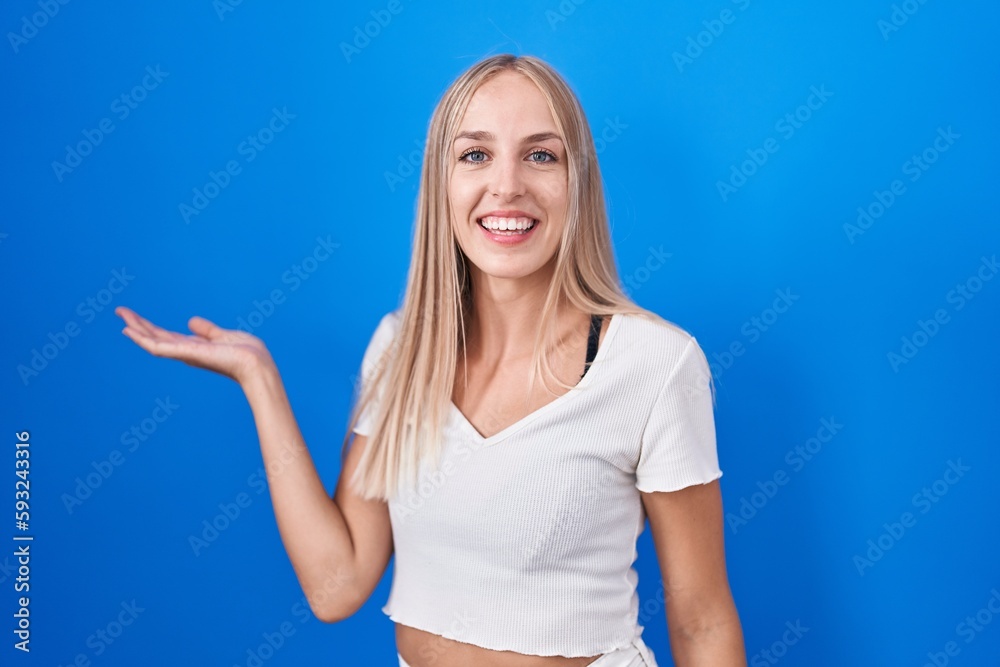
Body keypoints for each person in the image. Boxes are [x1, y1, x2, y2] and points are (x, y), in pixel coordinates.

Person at [115, 54, 745, 666]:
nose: (506, 185)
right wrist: (259, 379)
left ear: (576, 180)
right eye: (475, 154)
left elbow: (702, 617)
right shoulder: (400, 349)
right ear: (441, 182)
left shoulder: (656, 364)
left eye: (540, 155)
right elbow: (337, 585)